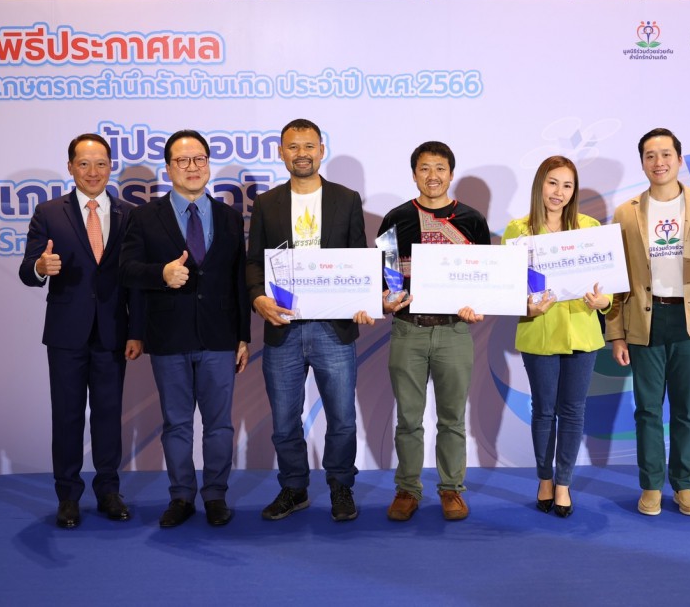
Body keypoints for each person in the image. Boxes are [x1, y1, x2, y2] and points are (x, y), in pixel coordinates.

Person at [120, 128, 250, 528]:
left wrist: (243, 336)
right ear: (168, 168)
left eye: (199, 159)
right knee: (176, 423)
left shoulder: (230, 216)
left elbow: (238, 281)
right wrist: (161, 274)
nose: (192, 167)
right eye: (182, 160)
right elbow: (126, 270)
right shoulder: (144, 216)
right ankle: (181, 496)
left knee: (219, 425)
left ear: (208, 165)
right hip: (169, 336)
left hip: (219, 337)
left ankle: (215, 495)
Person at [245, 118, 373, 523]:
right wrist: (257, 297)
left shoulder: (346, 199)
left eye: (308, 146)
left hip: (333, 328)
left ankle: (341, 486)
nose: (301, 153)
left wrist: (362, 300)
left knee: (342, 419)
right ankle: (294, 488)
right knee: (284, 421)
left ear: (321, 150)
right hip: (283, 327)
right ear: (281, 153)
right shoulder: (266, 203)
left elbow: (358, 257)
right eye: (293, 146)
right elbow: (253, 262)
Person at [606, 128, 690, 517]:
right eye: (650, 155)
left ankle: (683, 484)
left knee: (685, 410)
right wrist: (616, 334)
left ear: (679, 160)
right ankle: (650, 486)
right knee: (647, 410)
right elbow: (616, 279)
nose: (658, 162)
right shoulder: (626, 212)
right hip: (644, 319)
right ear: (642, 163)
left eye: (666, 154)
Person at [19, 133, 143, 529]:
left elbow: (135, 281)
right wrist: (40, 268)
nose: (93, 172)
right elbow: (27, 270)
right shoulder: (48, 212)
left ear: (110, 167)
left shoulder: (129, 214)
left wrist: (136, 331)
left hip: (112, 331)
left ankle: (108, 491)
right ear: (71, 167)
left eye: (101, 163)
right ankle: (68, 496)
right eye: (84, 164)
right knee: (67, 416)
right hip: (66, 333)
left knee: (108, 415)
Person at [377, 141, 490, 522]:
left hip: (454, 333)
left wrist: (478, 303)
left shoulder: (472, 220)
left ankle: (451, 489)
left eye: (440, 168)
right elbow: (384, 275)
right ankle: (407, 489)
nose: (433, 176)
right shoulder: (395, 218)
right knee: (408, 419)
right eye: (424, 168)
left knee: (452, 418)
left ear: (451, 174)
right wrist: (384, 299)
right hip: (408, 330)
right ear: (414, 175)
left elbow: (485, 276)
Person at [501, 156, 611, 518]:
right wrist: (526, 306)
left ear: (574, 191)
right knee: (544, 410)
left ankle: (563, 483)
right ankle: (545, 479)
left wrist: (603, 301)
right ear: (539, 185)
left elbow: (608, 289)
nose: (558, 192)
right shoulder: (518, 230)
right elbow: (506, 289)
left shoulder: (589, 227)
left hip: (582, 331)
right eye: (552, 183)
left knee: (573, 411)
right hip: (540, 332)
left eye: (567, 185)